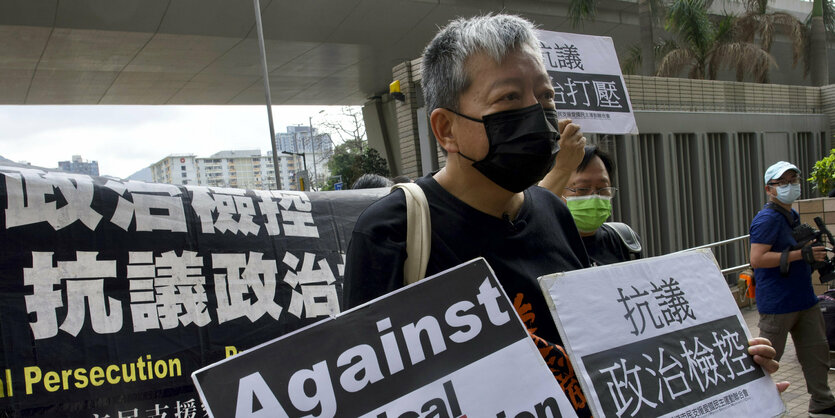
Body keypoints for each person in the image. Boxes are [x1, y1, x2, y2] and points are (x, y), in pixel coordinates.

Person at [345, 13, 783, 416]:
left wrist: (726, 371)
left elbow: (603, 349)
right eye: (508, 98)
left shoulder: (553, 212)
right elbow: (364, 396)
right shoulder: (393, 232)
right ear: (446, 129)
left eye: (545, 94)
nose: (538, 113)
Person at [750, 161, 835, 417]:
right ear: (769, 189)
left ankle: (823, 404)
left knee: (816, 353)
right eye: (783, 182)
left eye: (793, 181)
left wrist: (811, 255)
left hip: (804, 299)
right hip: (777, 304)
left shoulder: (792, 214)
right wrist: (801, 254)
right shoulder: (766, 219)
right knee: (764, 361)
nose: (790, 186)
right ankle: (754, 407)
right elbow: (757, 259)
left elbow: (791, 252)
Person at [543, 145, 642, 265]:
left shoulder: (626, 242)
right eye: (582, 189)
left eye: (602, 188)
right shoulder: (538, 245)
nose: (594, 196)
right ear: (557, 191)